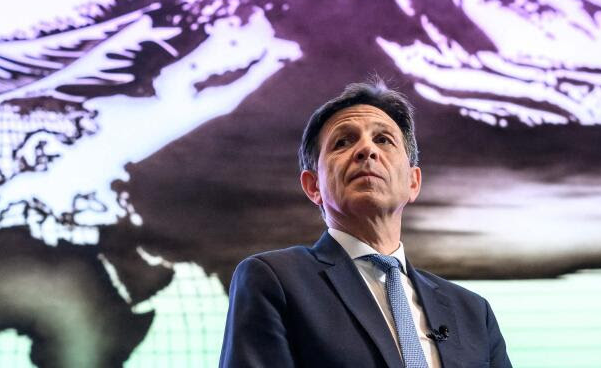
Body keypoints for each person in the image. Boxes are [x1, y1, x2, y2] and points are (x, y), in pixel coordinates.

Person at [219, 80, 511, 367]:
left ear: (413, 181)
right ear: (313, 186)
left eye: (383, 140)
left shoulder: (473, 312)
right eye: (342, 142)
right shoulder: (275, 280)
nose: (366, 151)